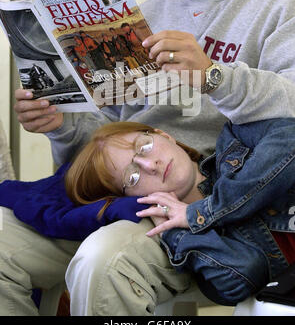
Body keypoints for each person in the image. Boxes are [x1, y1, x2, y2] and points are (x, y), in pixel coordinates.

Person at [4, 0, 295, 316]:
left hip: (203, 198)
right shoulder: (146, 14)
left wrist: (213, 75)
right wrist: (62, 127)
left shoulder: (279, 5)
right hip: (120, 190)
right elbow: (111, 136)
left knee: (105, 260)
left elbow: (292, 110)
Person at [64, 118, 295, 305]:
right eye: (132, 177)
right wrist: (173, 233)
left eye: (144, 147)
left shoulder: (235, 139)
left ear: (164, 135)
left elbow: (290, 138)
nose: (150, 165)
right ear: (131, 200)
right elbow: (242, 277)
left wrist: (201, 212)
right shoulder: (189, 244)